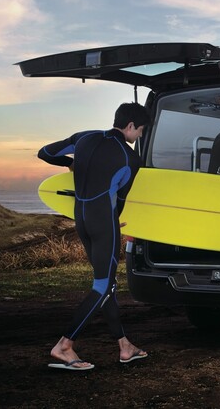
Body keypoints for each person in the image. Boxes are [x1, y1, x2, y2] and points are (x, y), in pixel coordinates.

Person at [38, 102, 151, 371]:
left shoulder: (84, 137)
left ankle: (124, 346)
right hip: (103, 225)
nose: (140, 136)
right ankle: (64, 345)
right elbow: (120, 199)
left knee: (106, 284)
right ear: (131, 126)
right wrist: (113, 223)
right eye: (141, 130)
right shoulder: (130, 159)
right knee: (102, 287)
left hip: (82, 220)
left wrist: (71, 163)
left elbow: (45, 153)